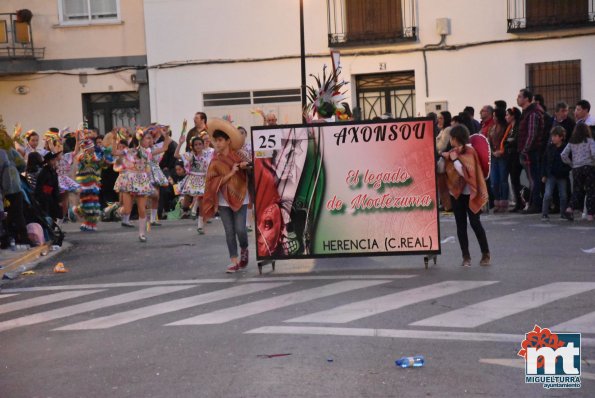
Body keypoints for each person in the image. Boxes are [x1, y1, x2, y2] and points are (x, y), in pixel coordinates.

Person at [203, 119, 251, 273]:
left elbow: (253, 165)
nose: (217, 143)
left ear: (228, 141)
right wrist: (231, 173)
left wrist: (245, 166)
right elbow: (210, 181)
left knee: (241, 230)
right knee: (229, 232)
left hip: (241, 196)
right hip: (223, 202)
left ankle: (244, 248)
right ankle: (234, 260)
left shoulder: (240, 155)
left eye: (220, 140)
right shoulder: (215, 161)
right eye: (215, 141)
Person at [441, 124, 490, 267]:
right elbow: (443, 169)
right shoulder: (451, 152)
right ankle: (466, 256)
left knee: (475, 223)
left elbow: (465, 172)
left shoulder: (470, 151)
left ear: (455, 138)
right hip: (456, 194)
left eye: (451, 138)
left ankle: (485, 253)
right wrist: (445, 158)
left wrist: (454, 159)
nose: (450, 141)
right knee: (460, 225)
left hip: (471, 193)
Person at [113, 128, 170, 241]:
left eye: (150, 138)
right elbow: (114, 152)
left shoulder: (148, 152)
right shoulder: (130, 151)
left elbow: (165, 148)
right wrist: (115, 139)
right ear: (140, 139)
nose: (150, 141)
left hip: (142, 181)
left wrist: (166, 136)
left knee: (142, 209)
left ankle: (142, 234)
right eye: (148, 138)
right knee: (127, 210)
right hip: (129, 180)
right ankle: (118, 210)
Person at [0, 128, 31, 247]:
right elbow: (23, 165)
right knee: (18, 213)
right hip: (15, 186)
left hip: (2, 190)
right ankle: (23, 238)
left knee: (4, 214)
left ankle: (7, 237)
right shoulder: (11, 151)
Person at [516, 88, 544, 213]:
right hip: (528, 151)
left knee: (534, 179)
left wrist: (525, 150)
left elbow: (531, 134)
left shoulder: (532, 113)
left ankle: (535, 205)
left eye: (520, 96)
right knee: (532, 178)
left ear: (526, 98)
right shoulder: (527, 112)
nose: (517, 99)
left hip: (530, 152)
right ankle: (533, 204)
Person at [174, 134, 209, 234]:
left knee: (202, 202)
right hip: (192, 179)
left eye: (200, 144)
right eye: (196, 144)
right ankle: (191, 209)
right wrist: (180, 143)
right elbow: (176, 155)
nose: (198, 146)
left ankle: (200, 226)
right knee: (193, 198)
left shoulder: (208, 154)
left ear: (203, 145)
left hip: (203, 179)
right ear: (193, 146)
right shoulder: (190, 155)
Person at [561, 123, 595, 221]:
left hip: (576, 169)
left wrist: (572, 164)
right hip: (589, 167)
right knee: (590, 191)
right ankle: (590, 215)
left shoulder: (572, 142)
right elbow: (594, 153)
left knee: (577, 190)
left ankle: (569, 208)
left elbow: (563, 155)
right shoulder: (590, 141)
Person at [541, 126, 571, 222]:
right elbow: (545, 161)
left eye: (555, 136)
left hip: (562, 175)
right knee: (547, 194)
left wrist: (565, 171)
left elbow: (569, 162)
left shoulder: (566, 147)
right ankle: (544, 214)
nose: (553, 138)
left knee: (563, 195)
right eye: (552, 136)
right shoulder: (550, 147)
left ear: (561, 137)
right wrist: (544, 174)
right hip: (551, 174)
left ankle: (563, 214)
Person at [503, 107, 524, 212]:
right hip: (510, 155)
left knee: (515, 180)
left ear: (513, 116)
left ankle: (521, 201)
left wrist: (509, 141)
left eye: (508, 115)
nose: (506, 117)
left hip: (516, 156)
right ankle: (518, 202)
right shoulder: (510, 127)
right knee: (513, 180)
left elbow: (515, 140)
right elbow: (507, 140)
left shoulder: (518, 126)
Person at [489, 108, 509, 212]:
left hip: (502, 156)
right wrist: (493, 151)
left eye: (495, 116)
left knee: (503, 180)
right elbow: (489, 141)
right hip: (494, 156)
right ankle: (497, 201)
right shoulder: (492, 128)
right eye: (493, 116)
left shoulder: (505, 127)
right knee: (494, 180)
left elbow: (506, 141)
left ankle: (504, 202)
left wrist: (501, 151)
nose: (493, 118)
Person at [35, 151, 62, 222]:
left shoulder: (53, 171)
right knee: (46, 213)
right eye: (52, 160)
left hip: (51, 195)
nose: (54, 161)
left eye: (54, 160)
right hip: (44, 196)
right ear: (48, 161)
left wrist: (58, 199)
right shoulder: (44, 172)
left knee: (54, 212)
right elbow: (40, 186)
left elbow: (55, 186)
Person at [435, 111, 452, 211]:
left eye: (441, 118)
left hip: (445, 161)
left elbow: (441, 146)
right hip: (441, 160)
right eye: (438, 118)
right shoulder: (442, 130)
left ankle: (448, 205)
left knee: (444, 185)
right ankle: (445, 204)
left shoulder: (447, 130)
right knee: (441, 185)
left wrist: (433, 145)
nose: (438, 120)